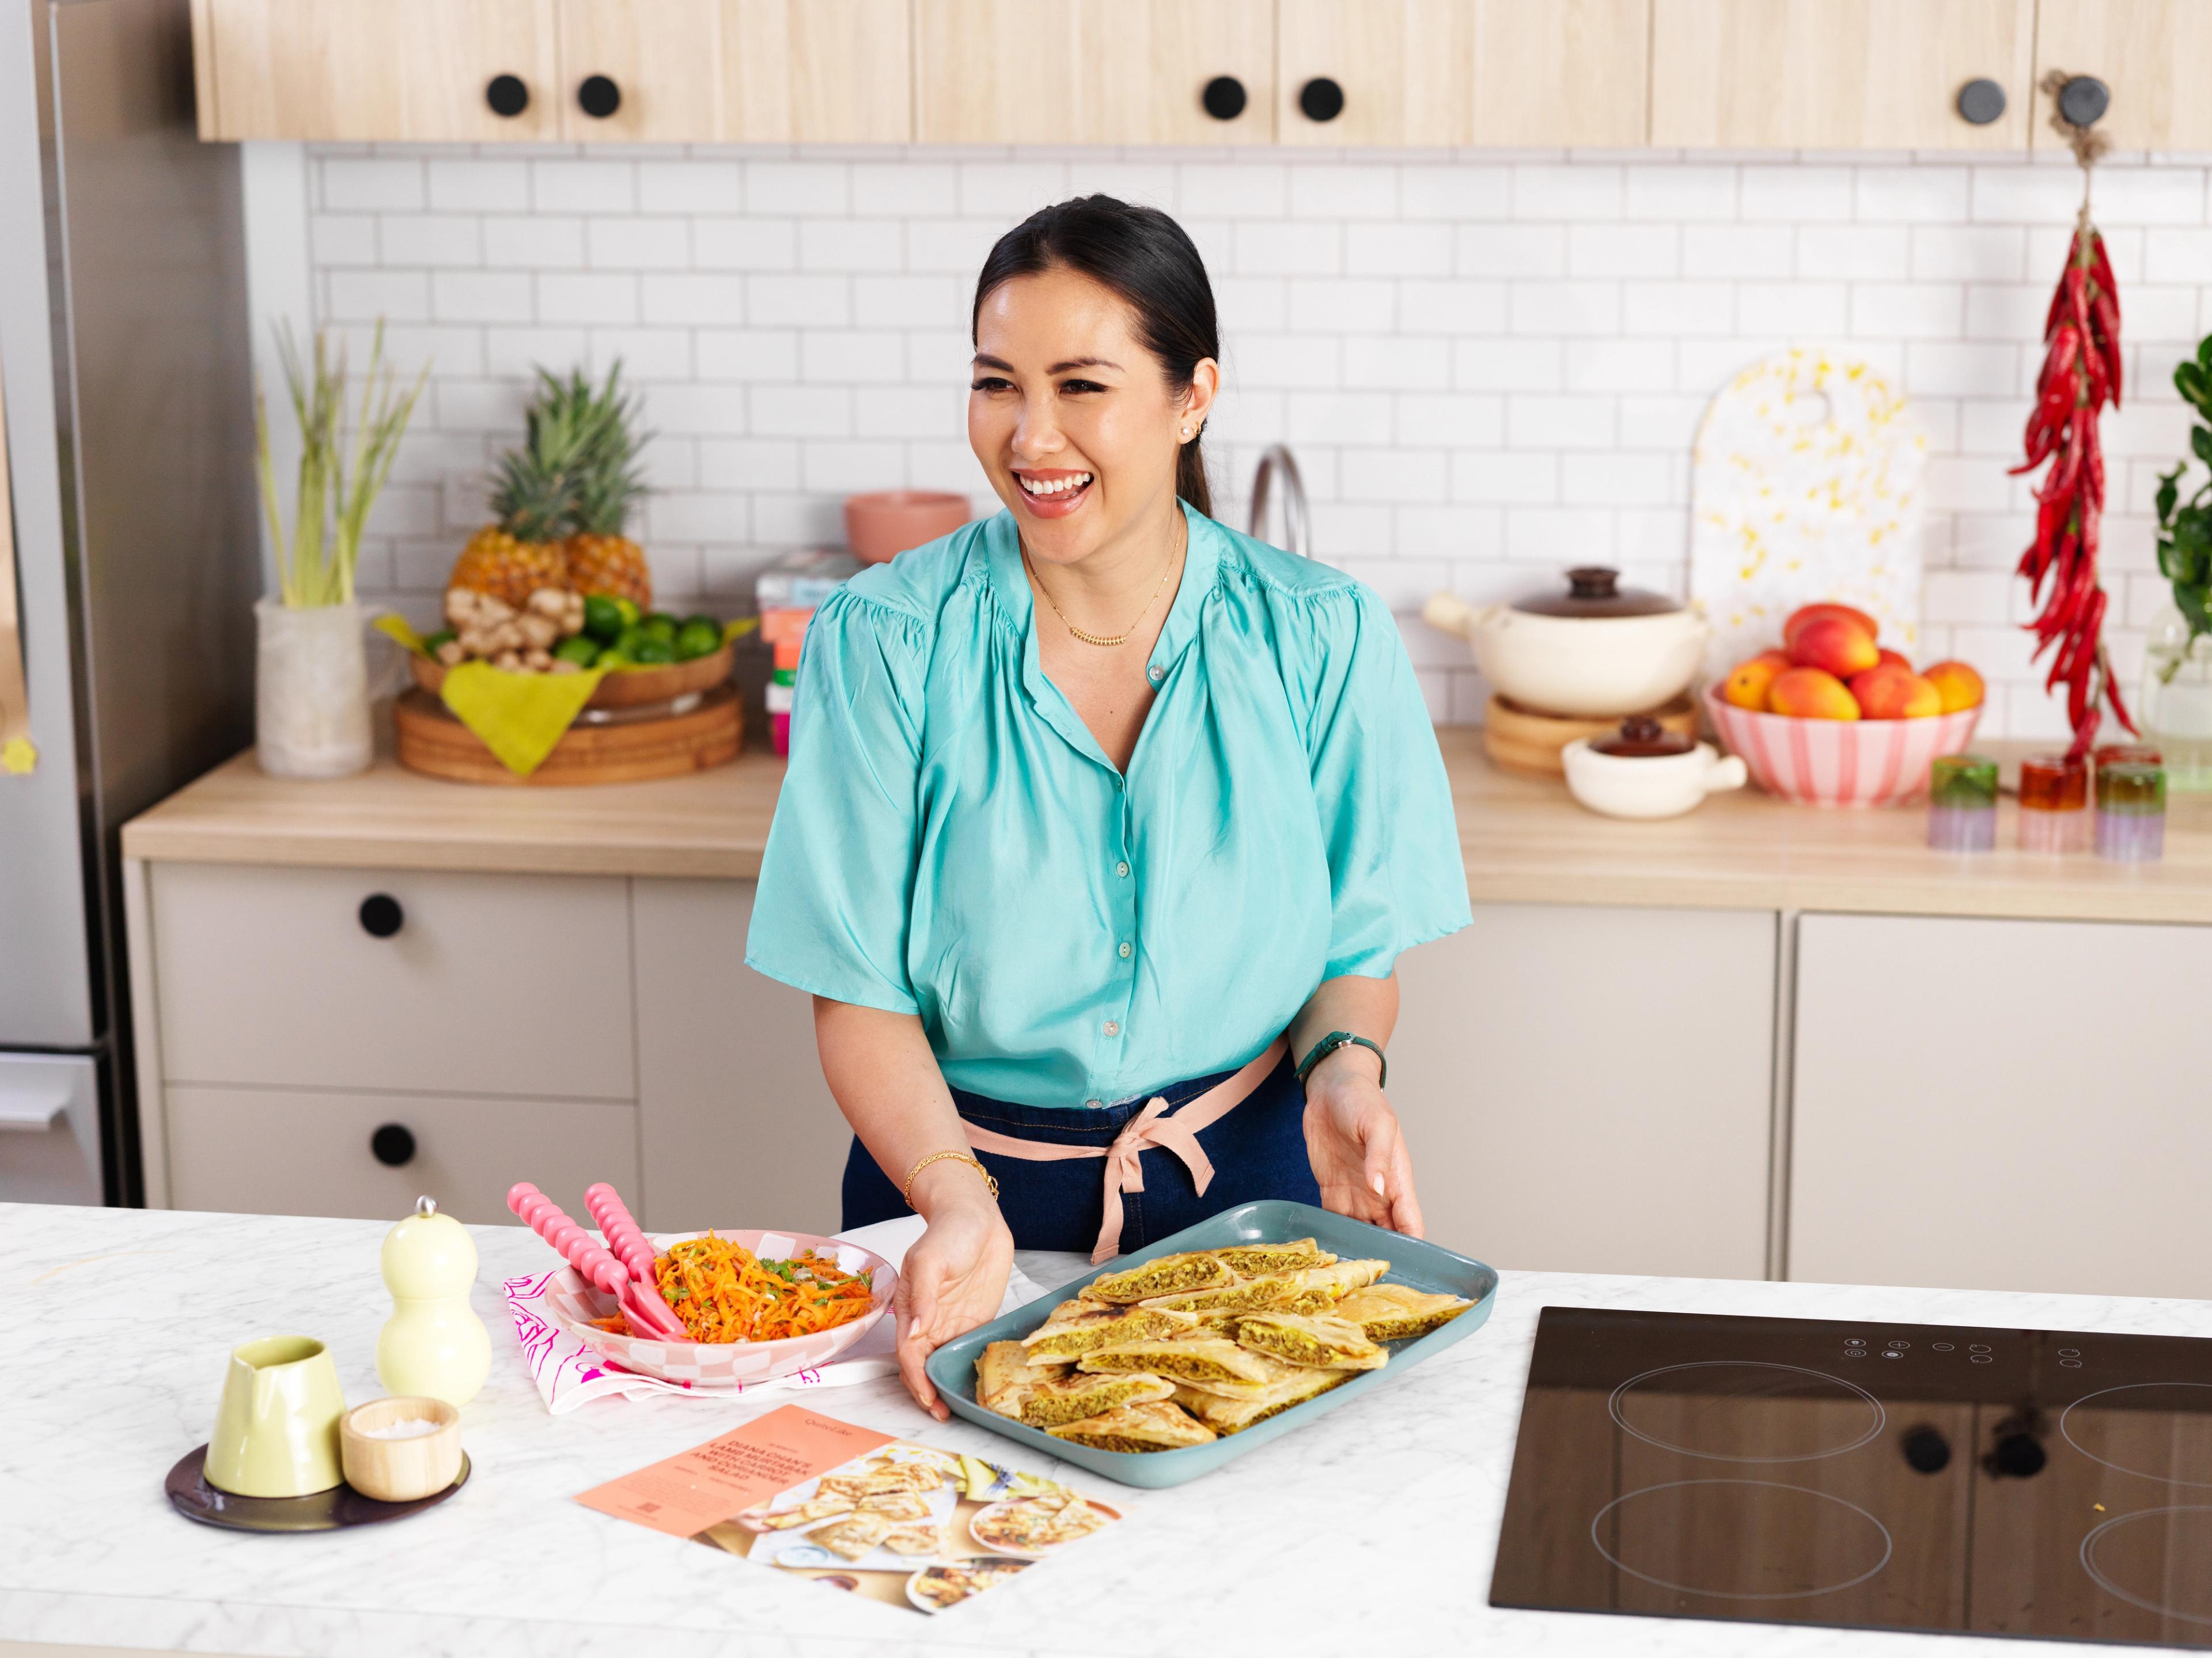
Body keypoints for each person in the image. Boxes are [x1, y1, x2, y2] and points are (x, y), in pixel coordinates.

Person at [746, 195, 1468, 1417]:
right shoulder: (883, 641)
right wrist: (956, 1199)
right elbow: (858, 989)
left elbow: (1354, 944)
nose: (1030, 436)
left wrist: (1347, 1070)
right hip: (950, 1201)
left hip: (1253, 1194)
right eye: (996, 383)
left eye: (1082, 385)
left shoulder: (1323, 636)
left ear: (1193, 396)